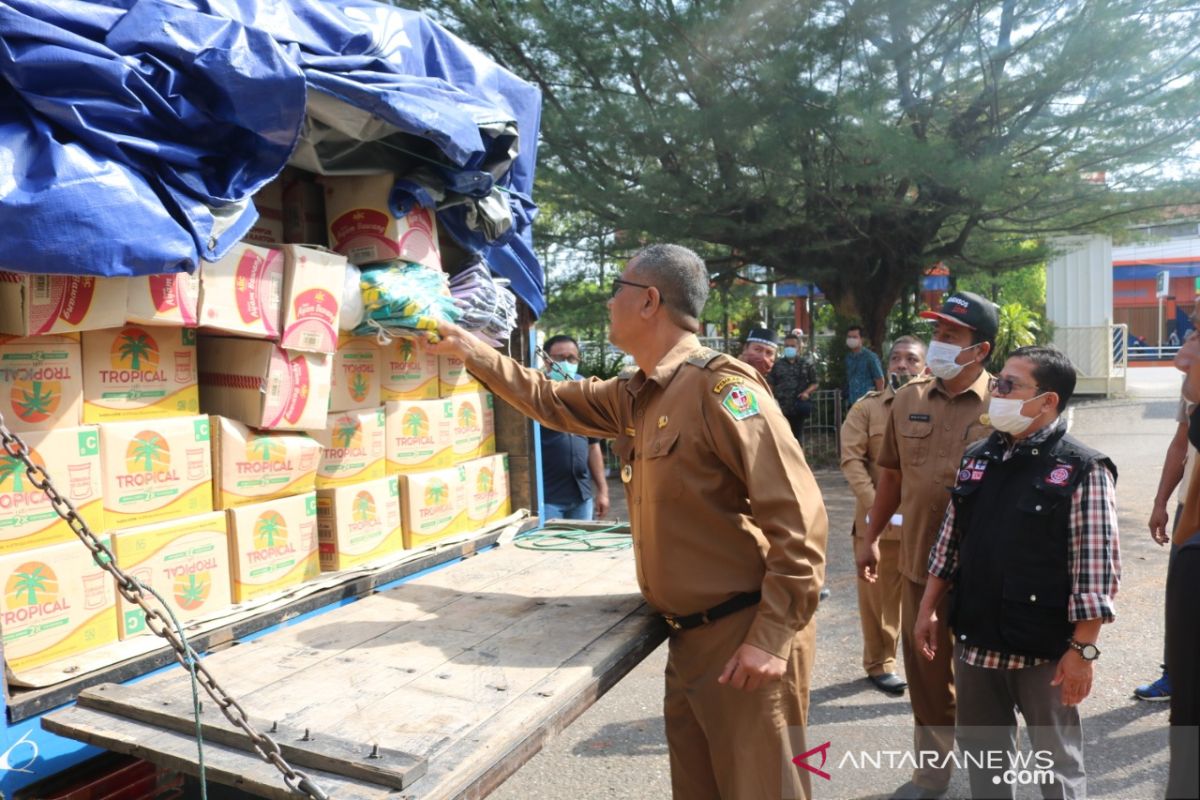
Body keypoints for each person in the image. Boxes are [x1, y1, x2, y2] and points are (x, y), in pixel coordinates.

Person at [430, 243, 829, 799]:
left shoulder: (722, 388)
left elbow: (800, 519)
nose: (607, 302)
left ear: (648, 301)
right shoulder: (638, 393)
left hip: (744, 637)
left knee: (766, 791)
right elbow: (548, 398)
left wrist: (772, 637)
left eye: (616, 289)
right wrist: (473, 350)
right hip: (690, 638)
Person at [914, 346, 1120, 800]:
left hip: (1044, 653)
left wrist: (1082, 654)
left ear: (1047, 400)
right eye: (997, 383)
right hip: (976, 642)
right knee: (985, 761)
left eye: (1009, 385)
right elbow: (951, 541)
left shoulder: (1082, 469)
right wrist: (928, 607)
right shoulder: (978, 456)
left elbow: (1095, 572)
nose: (996, 393)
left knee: (1057, 767)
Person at [855, 291, 996, 799]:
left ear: (978, 350)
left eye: (951, 336)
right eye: (937, 333)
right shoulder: (909, 398)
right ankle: (931, 776)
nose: (938, 344)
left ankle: (991, 778)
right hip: (917, 562)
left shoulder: (1005, 403)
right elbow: (889, 477)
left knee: (987, 685)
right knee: (927, 679)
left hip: (984, 573)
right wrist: (870, 538)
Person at [839, 335, 927, 697]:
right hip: (879, 524)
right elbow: (851, 460)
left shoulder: (940, 407)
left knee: (930, 601)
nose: (902, 365)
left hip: (927, 524)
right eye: (896, 359)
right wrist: (878, 508)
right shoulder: (867, 408)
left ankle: (932, 666)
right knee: (878, 603)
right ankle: (879, 663)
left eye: (911, 359)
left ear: (926, 366)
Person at [538, 334, 610, 521]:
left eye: (571, 358)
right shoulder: (536, 393)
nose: (566, 363)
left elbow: (593, 446)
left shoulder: (584, 391)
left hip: (581, 497)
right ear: (547, 360)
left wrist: (602, 490)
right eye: (560, 358)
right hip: (547, 499)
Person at [769, 332, 820, 442]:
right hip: (780, 409)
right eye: (786, 346)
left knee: (797, 439)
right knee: (781, 439)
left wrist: (807, 392)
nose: (789, 348)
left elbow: (815, 382)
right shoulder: (777, 365)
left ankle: (797, 458)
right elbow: (770, 384)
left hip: (798, 407)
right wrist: (771, 400)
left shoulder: (806, 364)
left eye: (792, 346)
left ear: (799, 347)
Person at [844, 324, 884, 405]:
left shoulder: (870, 357)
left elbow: (880, 380)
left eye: (854, 337)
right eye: (849, 337)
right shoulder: (848, 358)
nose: (851, 339)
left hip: (868, 402)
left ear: (861, 339)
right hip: (853, 402)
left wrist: (880, 402)